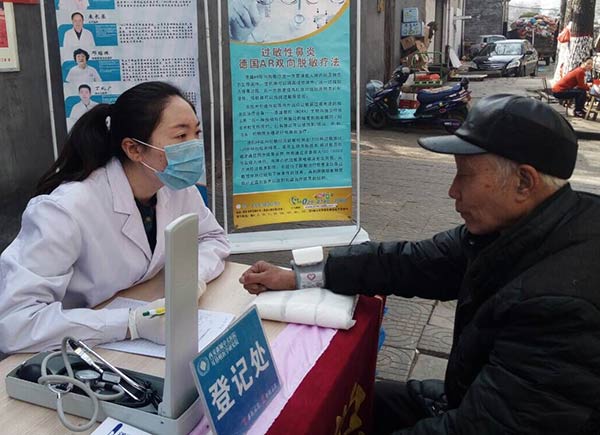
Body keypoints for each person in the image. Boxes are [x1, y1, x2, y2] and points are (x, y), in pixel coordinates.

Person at [239, 95, 600, 434]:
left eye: (465, 174)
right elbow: (411, 262)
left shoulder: (564, 306)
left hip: (491, 416)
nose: (453, 190)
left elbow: (481, 427)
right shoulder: (515, 227)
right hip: (470, 395)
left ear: (524, 182)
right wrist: (300, 276)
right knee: (343, 397)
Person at [0, 81, 230, 354]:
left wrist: (192, 277)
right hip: (73, 349)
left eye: (196, 133)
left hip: (137, 322)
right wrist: (130, 323)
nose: (194, 146)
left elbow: (212, 237)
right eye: (181, 136)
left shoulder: (174, 186)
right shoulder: (65, 210)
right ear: (133, 149)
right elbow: (15, 323)